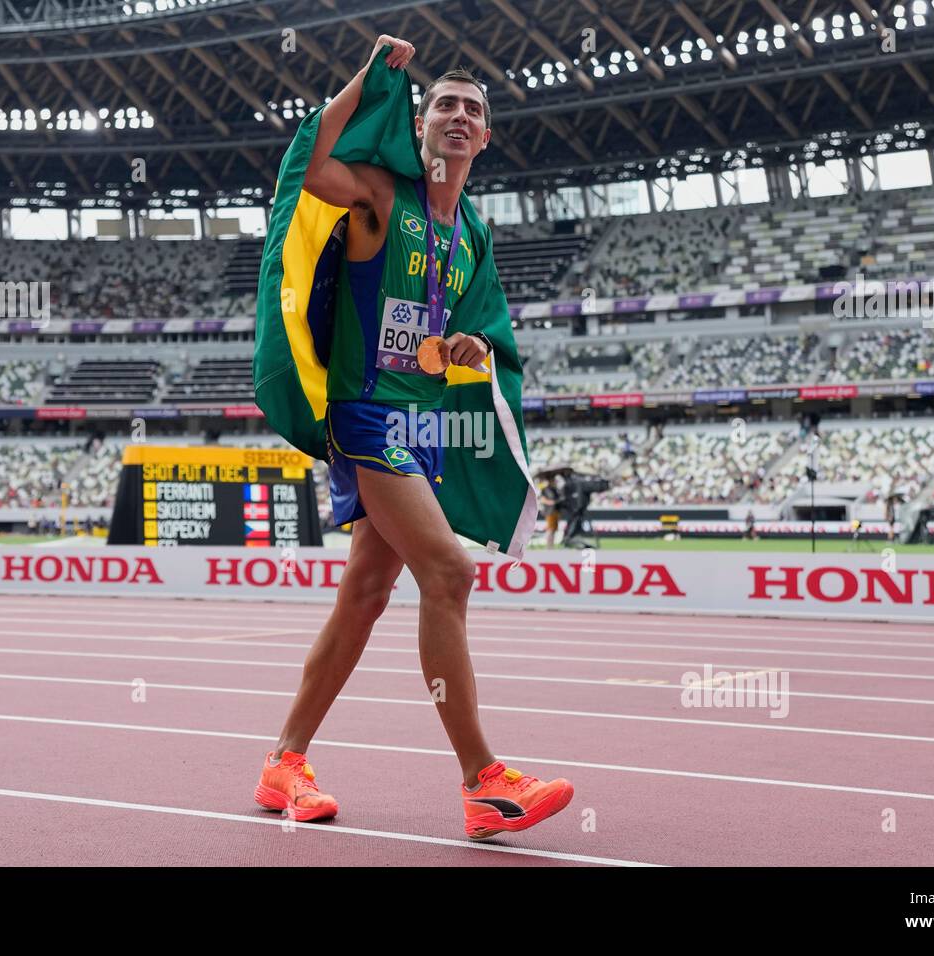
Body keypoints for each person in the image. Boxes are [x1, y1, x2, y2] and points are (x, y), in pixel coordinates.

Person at [254, 36, 572, 840]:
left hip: (423, 426)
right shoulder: (377, 195)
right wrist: (365, 79)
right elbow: (308, 164)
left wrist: (470, 350)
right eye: (444, 107)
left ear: (486, 135)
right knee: (449, 572)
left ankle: (283, 760)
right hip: (364, 418)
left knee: (364, 594)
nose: (458, 117)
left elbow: (474, 336)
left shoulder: (472, 235)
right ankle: (484, 782)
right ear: (420, 126)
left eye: (473, 109)